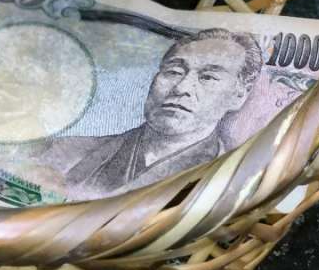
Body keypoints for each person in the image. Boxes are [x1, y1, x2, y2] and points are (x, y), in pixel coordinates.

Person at [47, 27, 263, 199]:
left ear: (238, 96)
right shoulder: (65, 151)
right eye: (174, 71)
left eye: (208, 77)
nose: (182, 88)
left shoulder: (232, 182)